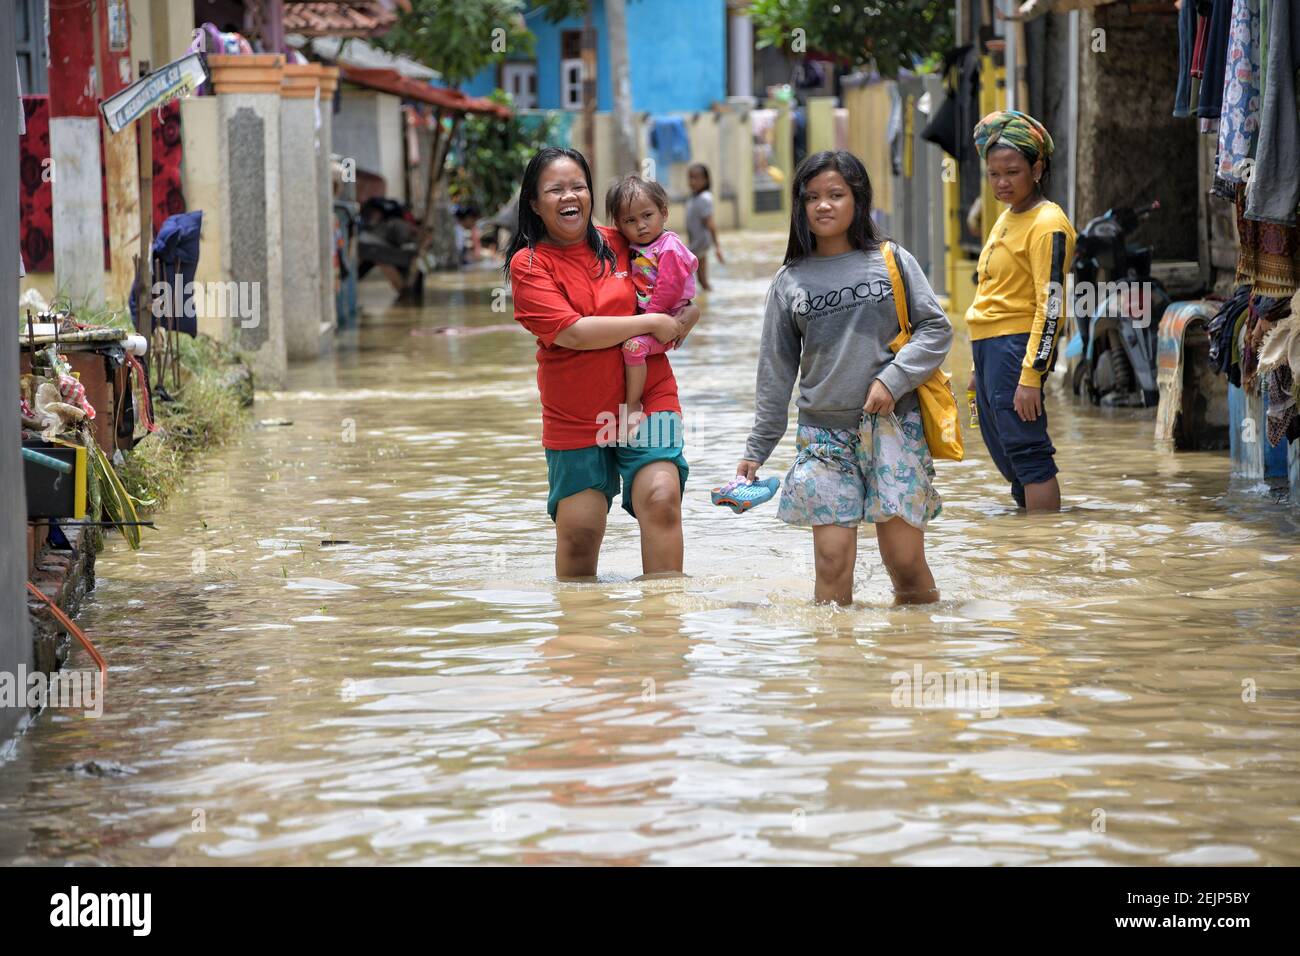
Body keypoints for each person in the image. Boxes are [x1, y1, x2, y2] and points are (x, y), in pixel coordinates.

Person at [736, 150, 952, 606]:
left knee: (906, 564)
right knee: (832, 567)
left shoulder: (891, 260)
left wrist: (892, 381)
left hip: (894, 430)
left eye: (836, 194)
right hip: (822, 438)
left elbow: (936, 329)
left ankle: (915, 654)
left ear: (858, 199)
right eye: (812, 197)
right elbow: (775, 371)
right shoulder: (789, 281)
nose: (823, 205)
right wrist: (757, 450)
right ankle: (837, 670)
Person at [506, 147, 700, 579]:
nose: (569, 196)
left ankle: (664, 629)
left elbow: (676, 287)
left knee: (662, 498)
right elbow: (573, 332)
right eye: (555, 189)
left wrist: (689, 314)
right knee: (579, 535)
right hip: (574, 413)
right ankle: (584, 637)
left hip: (649, 397)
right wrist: (649, 321)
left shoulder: (623, 241)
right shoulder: (530, 264)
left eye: (578, 186)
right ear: (535, 204)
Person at [966, 110, 1076, 513]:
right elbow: (992, 293)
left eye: (1012, 172)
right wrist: (980, 369)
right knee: (1008, 455)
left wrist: (1031, 376)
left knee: (1028, 453)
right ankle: (1028, 542)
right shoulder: (1007, 218)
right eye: (994, 174)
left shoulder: (1048, 223)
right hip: (991, 350)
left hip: (1016, 350)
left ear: (1037, 168)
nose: (1002, 183)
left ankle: (1044, 553)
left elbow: (1052, 307)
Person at [605, 175, 699, 439]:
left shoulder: (669, 248)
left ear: (664, 212)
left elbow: (668, 289)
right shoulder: (637, 246)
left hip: (664, 321)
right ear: (618, 225)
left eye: (647, 216)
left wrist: (648, 321)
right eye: (630, 221)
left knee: (633, 348)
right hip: (652, 320)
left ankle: (633, 403)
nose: (641, 226)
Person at [686, 164, 725, 290]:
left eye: (696, 178)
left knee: (701, 279)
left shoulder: (704, 198)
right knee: (701, 280)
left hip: (701, 243)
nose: (692, 181)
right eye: (690, 178)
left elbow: (710, 223)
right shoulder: (693, 198)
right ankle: (706, 296)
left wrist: (717, 247)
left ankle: (707, 298)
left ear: (706, 180)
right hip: (696, 243)